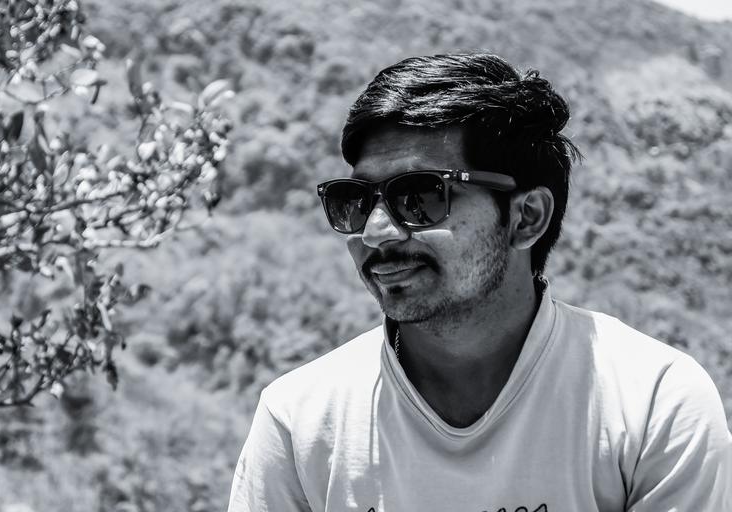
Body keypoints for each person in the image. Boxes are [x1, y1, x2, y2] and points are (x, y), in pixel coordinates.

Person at [227, 53, 732, 511]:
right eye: (354, 202)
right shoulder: (301, 422)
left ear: (526, 218)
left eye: (419, 197)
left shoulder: (653, 404)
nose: (375, 231)